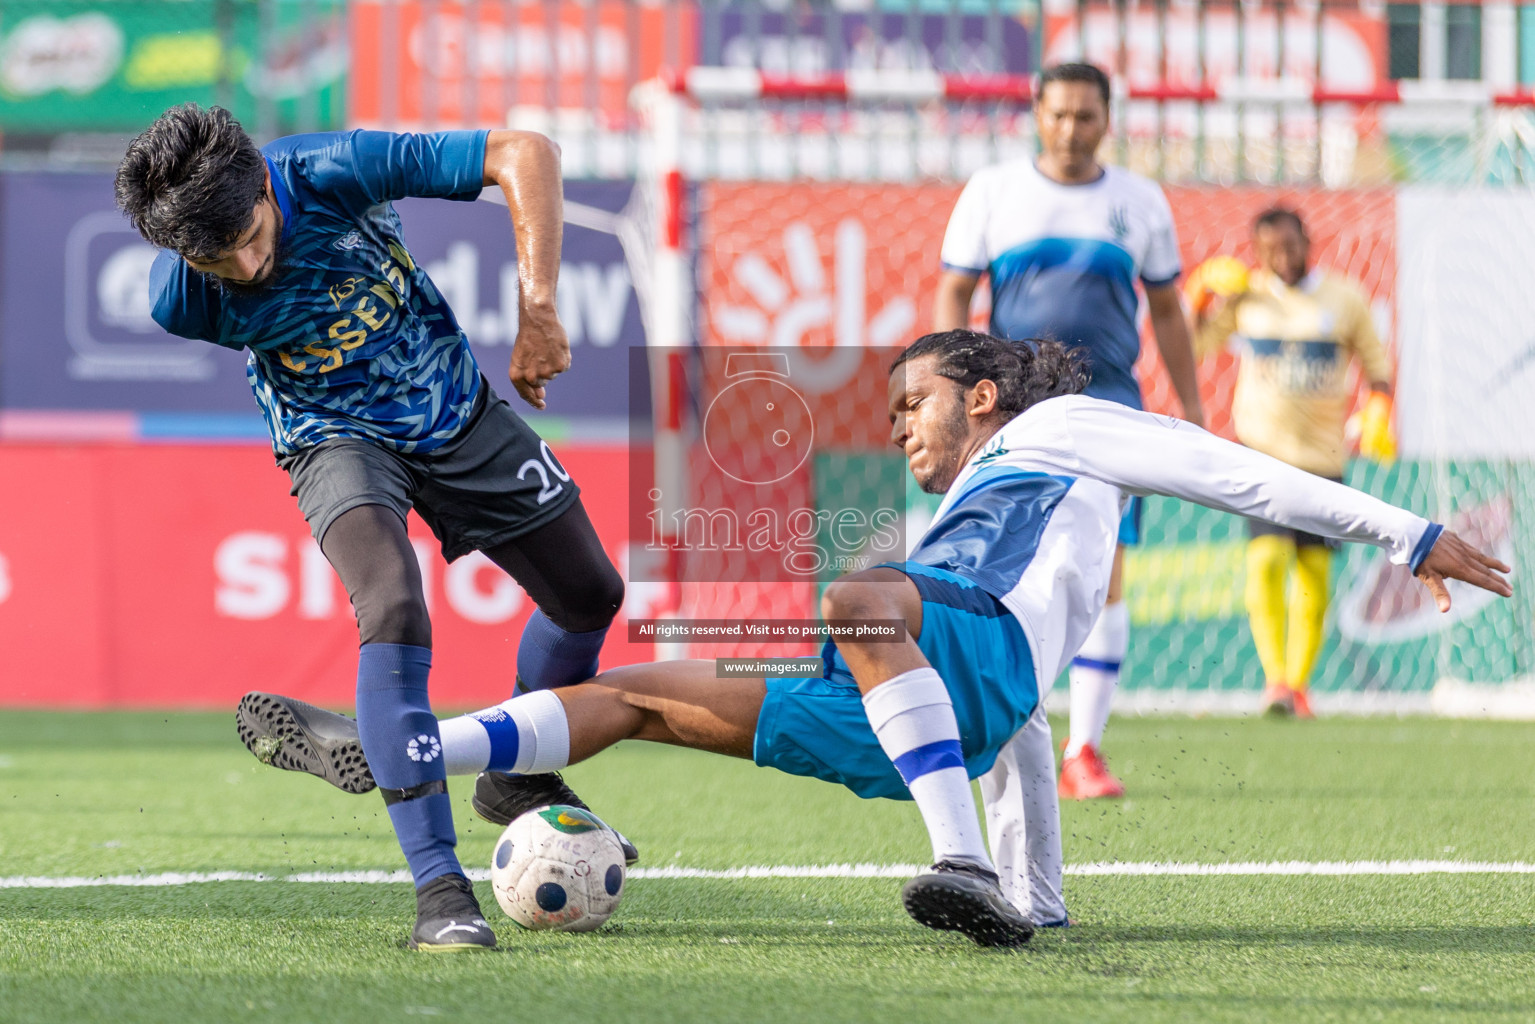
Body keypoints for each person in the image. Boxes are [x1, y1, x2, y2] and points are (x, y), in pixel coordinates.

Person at [239, 329, 1510, 949]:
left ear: (987, 394)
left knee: (857, 589)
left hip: (935, 640)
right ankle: (403, 746)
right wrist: (1039, 901)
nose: (902, 423)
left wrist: (1403, 532)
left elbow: (1234, 473)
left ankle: (948, 866)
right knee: (637, 694)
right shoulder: (969, 502)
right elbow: (1005, 731)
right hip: (925, 694)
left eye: (916, 400)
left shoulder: (1063, 429)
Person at [113, 104, 635, 953]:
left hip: (455, 411)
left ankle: (514, 779)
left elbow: (522, 151)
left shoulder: (332, 168)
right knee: (392, 607)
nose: (246, 264)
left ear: (263, 182)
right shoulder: (181, 301)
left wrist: (537, 304)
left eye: (250, 232)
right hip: (333, 439)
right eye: (218, 257)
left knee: (589, 595)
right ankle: (439, 892)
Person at [932, 62, 1205, 801]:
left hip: (1113, 410)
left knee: (1101, 574)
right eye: (1058, 115)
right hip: (1016, 413)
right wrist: (950, 393)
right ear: (1035, 111)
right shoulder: (992, 191)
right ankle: (991, 728)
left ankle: (1083, 750)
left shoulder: (1138, 202)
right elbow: (955, 291)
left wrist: (1191, 404)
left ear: (1106, 119)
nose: (1071, 130)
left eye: (1085, 117)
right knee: (1000, 569)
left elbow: (1170, 310)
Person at [1188, 208, 1396, 718]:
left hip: (1322, 456)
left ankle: (1298, 684)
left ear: (1308, 241)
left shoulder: (1344, 299)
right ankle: (1275, 681)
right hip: (1261, 454)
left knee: (1313, 571)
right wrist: (1199, 297)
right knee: (1266, 561)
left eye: (1290, 246)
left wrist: (1378, 411)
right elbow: (1194, 345)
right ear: (1257, 253)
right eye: (1271, 250)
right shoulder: (1248, 297)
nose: (1283, 258)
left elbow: (1377, 367)